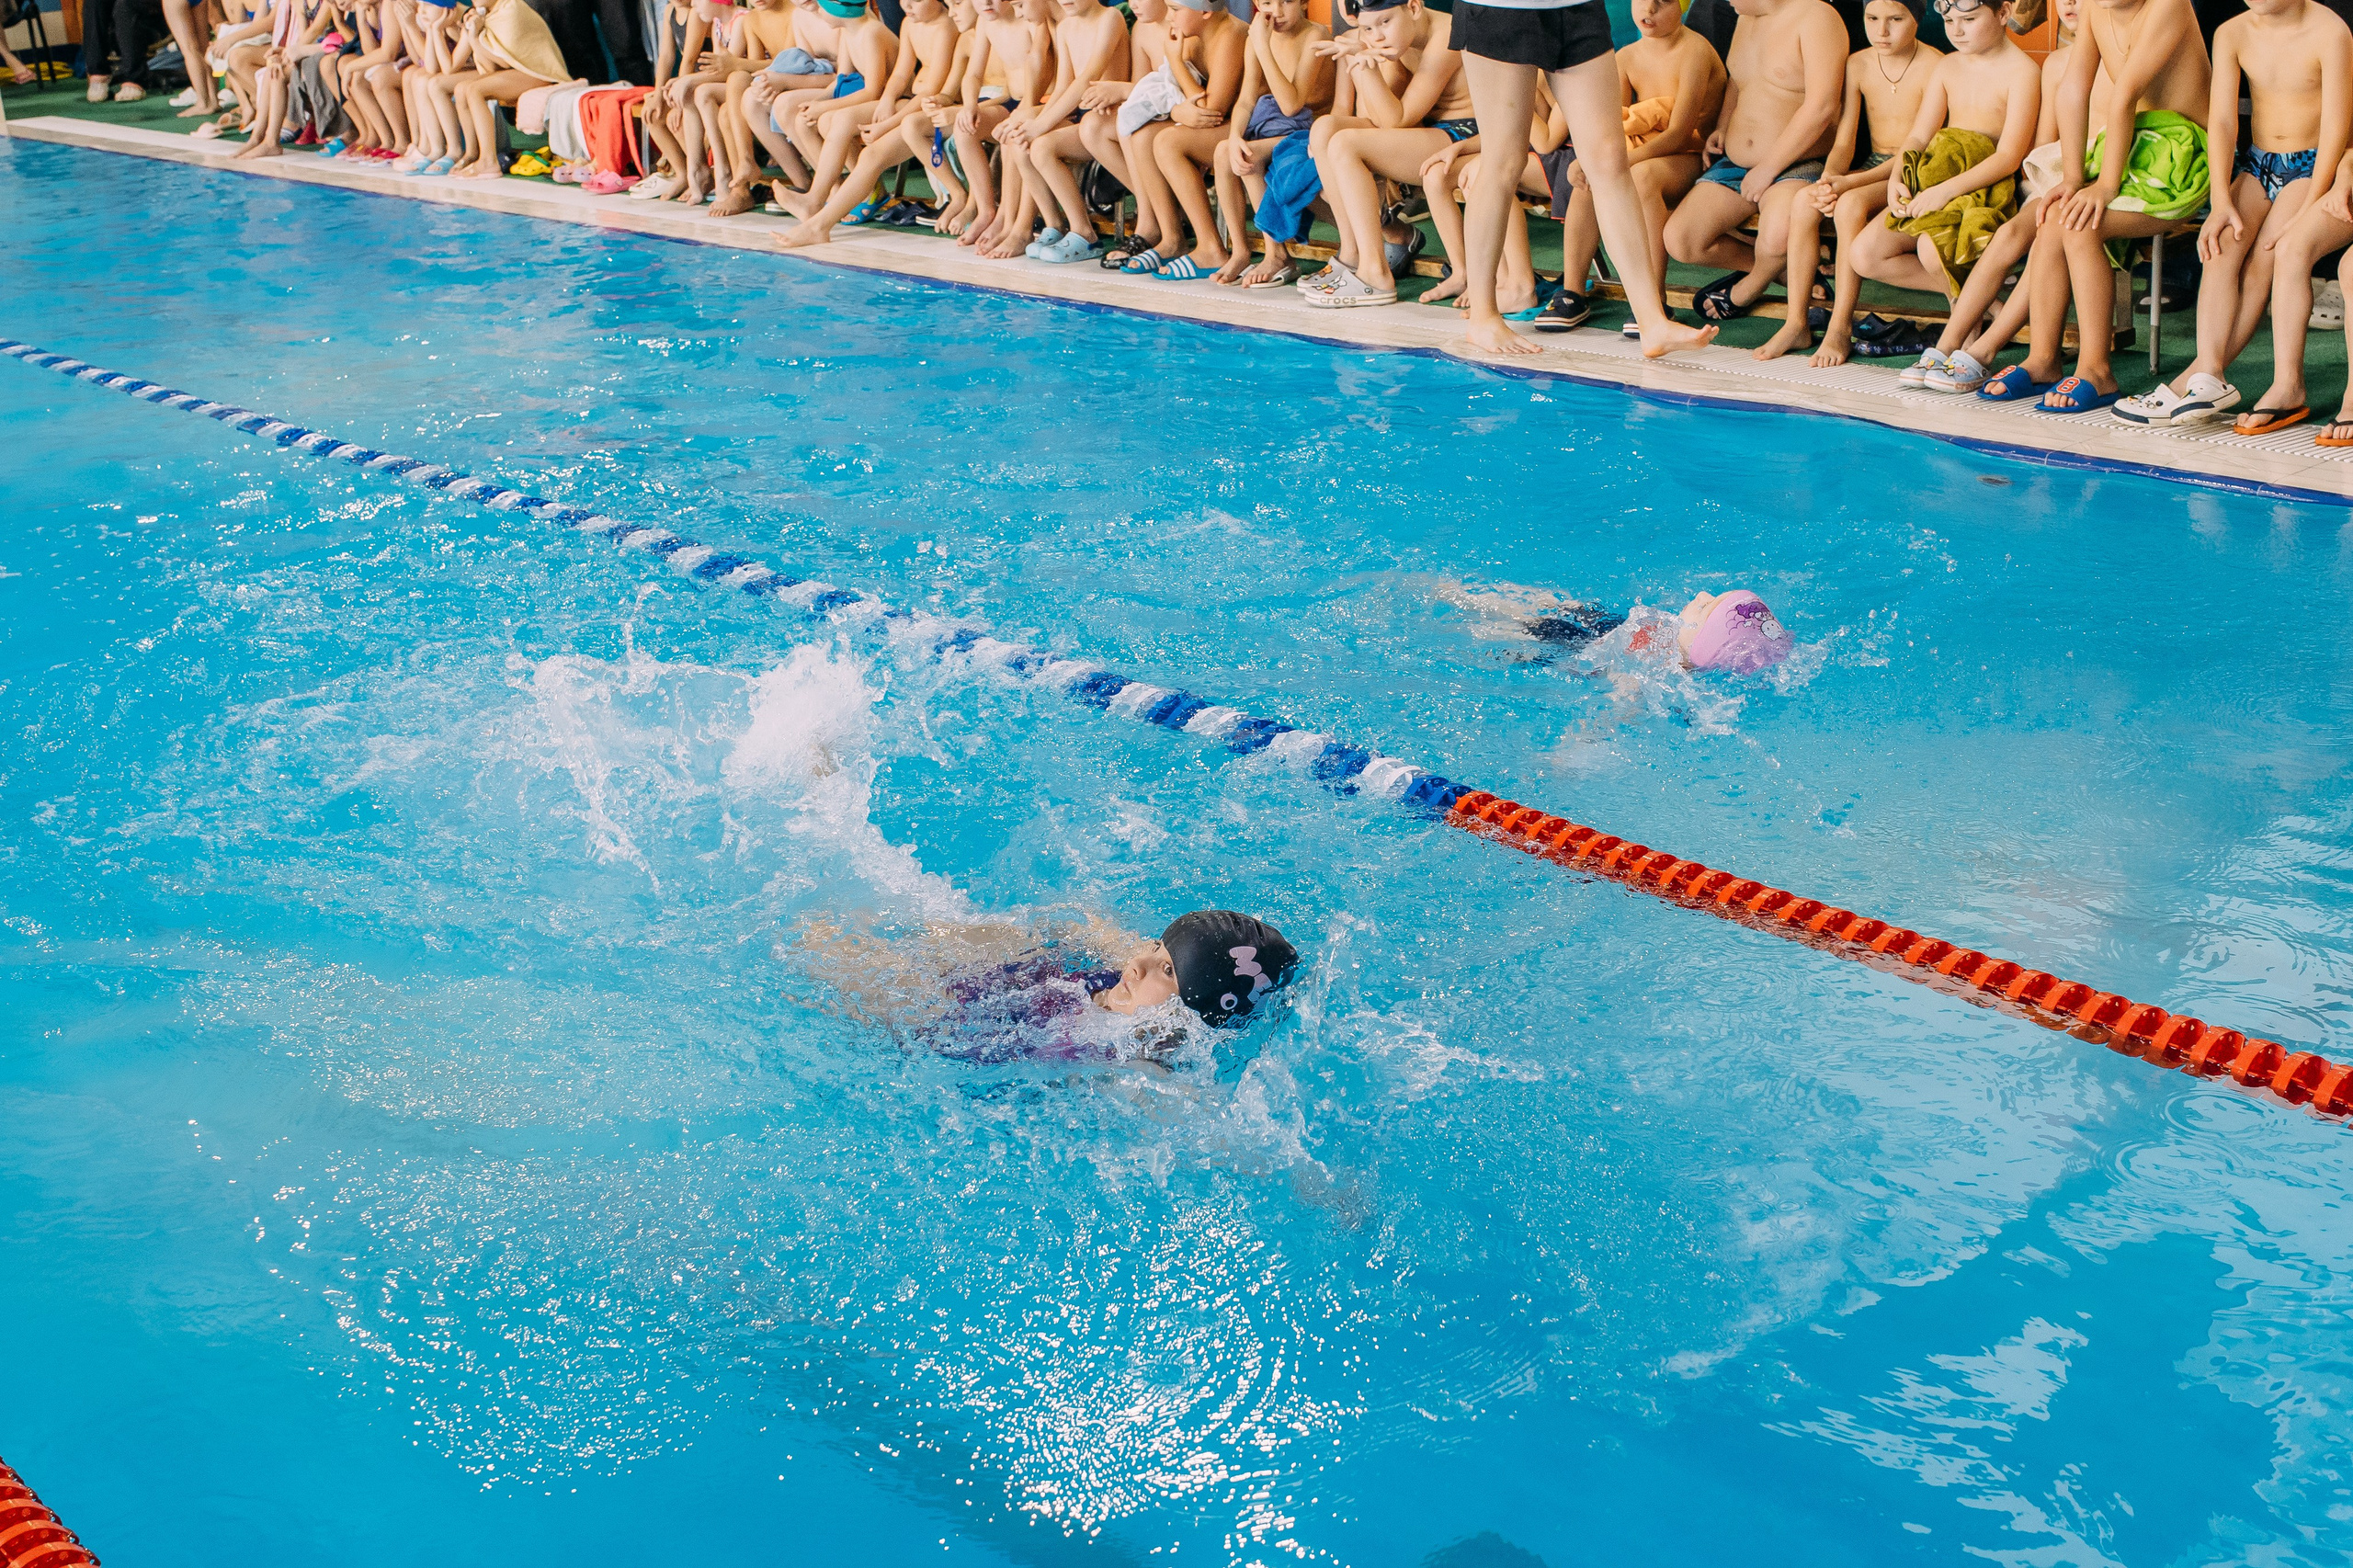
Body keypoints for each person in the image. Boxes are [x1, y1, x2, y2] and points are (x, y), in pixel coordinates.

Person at [2114, 0, 2351, 426]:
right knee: (2221, 245)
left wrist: (2311, 203)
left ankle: (2257, 382)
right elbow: (2223, 121)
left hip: (2313, 165)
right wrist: (2221, 201)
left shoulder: (2330, 32)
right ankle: (2208, 372)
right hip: (2258, 162)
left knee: (2266, 258)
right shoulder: (2232, 32)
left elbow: (2338, 125)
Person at [1992, 0, 2211, 413]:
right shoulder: (2095, 8)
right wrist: (2073, 179)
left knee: (2080, 225)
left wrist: (2106, 186)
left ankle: (2096, 370)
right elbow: (2074, 89)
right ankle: (2043, 360)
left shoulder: (2169, 5)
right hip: (2131, 146)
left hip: (2182, 156)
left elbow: (2126, 92)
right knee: (2054, 216)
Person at [1810, 0, 2039, 361]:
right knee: (1864, 255)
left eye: (1969, 19)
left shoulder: (2023, 72)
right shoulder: (1949, 66)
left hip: (1984, 188)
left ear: (2003, 13)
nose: (1956, 31)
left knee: (1931, 249)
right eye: (1948, 20)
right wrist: (1898, 177)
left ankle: (1964, 323)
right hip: (1936, 177)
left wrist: (1945, 192)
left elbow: (2008, 157)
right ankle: (1985, 304)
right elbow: (1918, 136)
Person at [806, 910, 1302, 1066]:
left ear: (1196, 1011)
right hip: (1016, 983)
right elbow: (1090, 924)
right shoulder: (1126, 981)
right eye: (1155, 945)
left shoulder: (1135, 1063)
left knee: (826, 960)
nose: (1138, 964)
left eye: (1168, 970)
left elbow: (1211, 1133)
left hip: (955, 1035)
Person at [1900, 0, 2086, 391]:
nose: (2070, 3)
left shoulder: (2028, 70)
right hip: (2056, 178)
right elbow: (2042, 148)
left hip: (2101, 178)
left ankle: (1983, 349)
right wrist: (2041, 187)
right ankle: (1949, 344)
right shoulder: (2055, 65)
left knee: (2038, 235)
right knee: (2012, 233)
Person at [1751, 0, 1938, 360]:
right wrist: (1829, 178)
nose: (1882, 31)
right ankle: (1796, 323)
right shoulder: (1859, 63)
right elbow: (1844, 141)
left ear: (1917, 18)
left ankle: (1840, 327)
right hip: (1871, 166)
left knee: (1849, 205)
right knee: (1804, 201)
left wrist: (1849, 184)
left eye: (1896, 19)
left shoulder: (1936, 66)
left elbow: (1919, 147)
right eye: (1872, 18)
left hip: (1914, 171)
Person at [1660, 0, 1848, 329]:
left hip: (1798, 162)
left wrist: (1768, 169)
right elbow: (1738, 81)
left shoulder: (1817, 16)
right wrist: (1723, 126)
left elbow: (1823, 106)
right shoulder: (1746, 17)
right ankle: (1785, 269)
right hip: (1736, 163)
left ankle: (1747, 289)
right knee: (1682, 240)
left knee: (1776, 238)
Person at [1540, 0, 1724, 331]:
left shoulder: (1694, 51)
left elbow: (1680, 135)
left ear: (1681, 6)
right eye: (1642, 0)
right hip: (1647, 151)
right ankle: (1572, 293)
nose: (1648, 10)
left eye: (1662, 2)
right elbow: (1615, 127)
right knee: (1589, 180)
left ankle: (1654, 301)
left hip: (1695, 156)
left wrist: (1619, 163)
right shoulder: (1625, 57)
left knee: (1640, 178)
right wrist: (1595, 162)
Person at [1297, 0, 1471, 308]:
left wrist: (1365, 65)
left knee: (1346, 144)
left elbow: (1396, 119)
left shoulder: (1445, 35)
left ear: (1413, 8)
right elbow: (1382, 115)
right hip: (1431, 128)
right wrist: (1366, 60)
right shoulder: (1401, 39)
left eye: (1385, 22)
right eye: (1367, 28)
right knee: (1325, 129)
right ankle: (1352, 253)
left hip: (1466, 133)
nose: (1376, 35)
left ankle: (1375, 273)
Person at [774, 0, 969, 243]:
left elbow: (932, 90)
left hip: (927, 106)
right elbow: (900, 74)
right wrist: (887, 100)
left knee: (849, 128)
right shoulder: (909, 24)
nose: (907, 6)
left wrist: (887, 123)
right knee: (867, 154)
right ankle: (818, 219)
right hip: (911, 103)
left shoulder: (946, 27)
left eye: (916, 0)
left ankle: (817, 212)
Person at [998, 0, 1133, 262]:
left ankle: (1084, 233)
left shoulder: (1110, 18)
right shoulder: (1065, 28)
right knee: (1023, 142)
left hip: (1107, 118)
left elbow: (1087, 79)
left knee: (1041, 144)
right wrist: (1034, 122)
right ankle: (1057, 225)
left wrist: (1040, 126)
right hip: (1082, 117)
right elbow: (1062, 88)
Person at [1210, 0, 1332, 286]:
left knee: (1249, 156)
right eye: (1267, 2)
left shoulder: (1315, 35)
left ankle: (1277, 255)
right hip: (1281, 133)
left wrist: (1263, 46)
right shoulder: (1257, 39)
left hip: (1314, 132)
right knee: (1225, 151)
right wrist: (1235, 135)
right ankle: (1241, 251)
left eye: (1286, 1)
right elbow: (1246, 100)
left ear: (1304, 2)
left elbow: (1291, 105)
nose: (1276, 12)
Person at [1140, 0, 1251, 278]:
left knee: (1167, 142)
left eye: (1176, 9)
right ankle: (1171, 237)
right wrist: (1177, 110)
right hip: (1226, 124)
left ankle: (1211, 248)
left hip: (1251, 128)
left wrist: (1175, 62)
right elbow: (1175, 97)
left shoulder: (1231, 35)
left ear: (1205, 11)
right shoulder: (1194, 38)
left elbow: (1211, 111)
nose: (1169, 16)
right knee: (1145, 134)